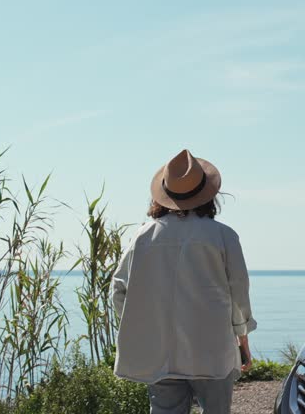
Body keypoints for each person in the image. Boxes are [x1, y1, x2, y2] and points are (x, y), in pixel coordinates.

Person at [110, 149, 257, 414]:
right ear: (208, 195)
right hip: (212, 351)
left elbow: (119, 290)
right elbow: (238, 290)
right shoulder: (223, 236)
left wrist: (143, 329)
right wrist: (242, 337)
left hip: (161, 354)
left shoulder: (142, 237)